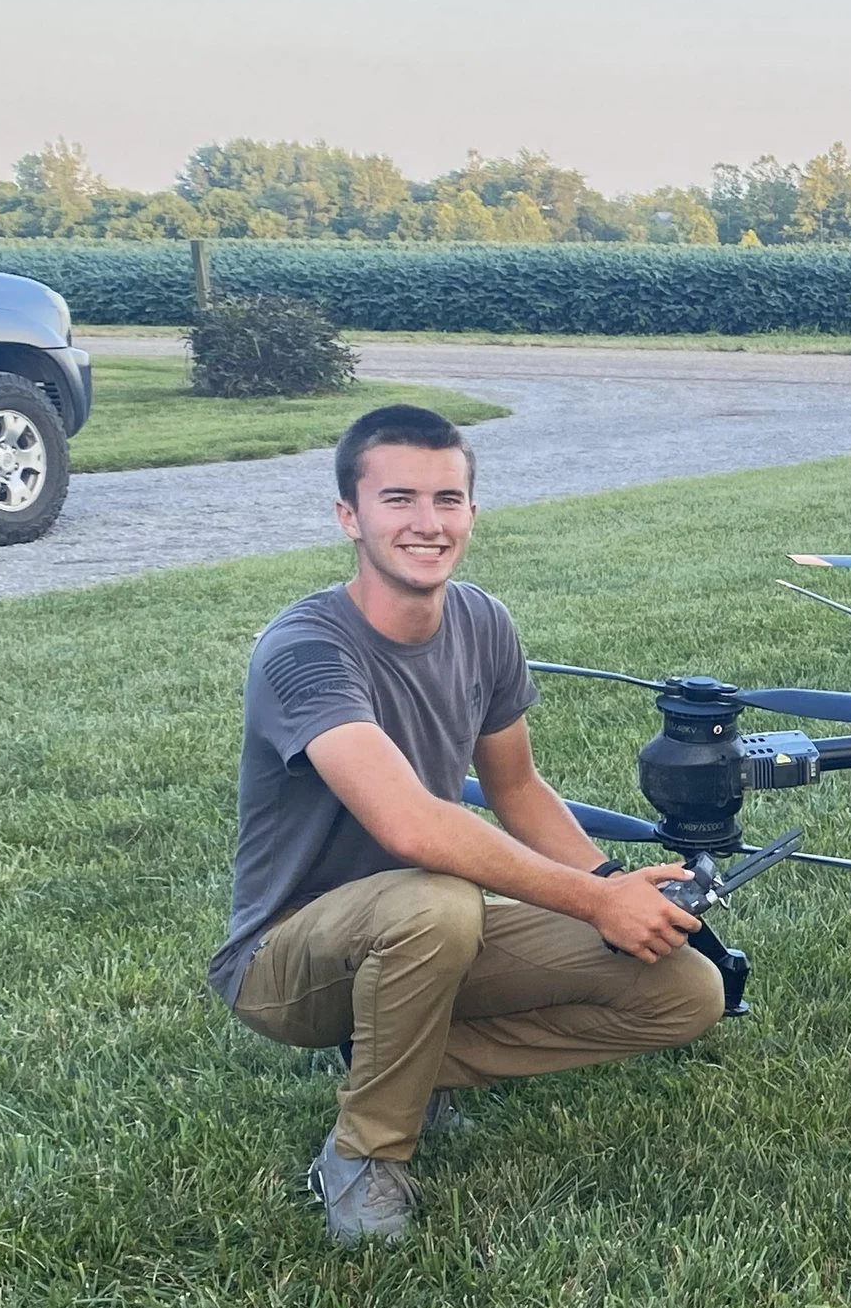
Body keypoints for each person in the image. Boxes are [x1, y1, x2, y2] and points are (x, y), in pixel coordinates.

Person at [209, 404, 724, 1246]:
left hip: (428, 926)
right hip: (285, 956)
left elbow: (515, 787)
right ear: (350, 516)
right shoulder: (303, 650)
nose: (427, 522)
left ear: (473, 514)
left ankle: (397, 1066)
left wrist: (614, 889)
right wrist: (590, 906)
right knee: (437, 898)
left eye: (448, 499)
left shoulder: (482, 622)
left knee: (683, 990)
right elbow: (410, 824)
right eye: (399, 499)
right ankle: (364, 1152)